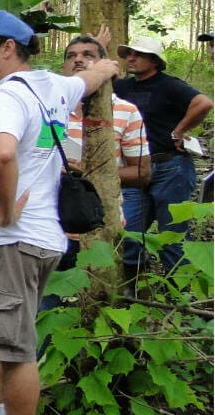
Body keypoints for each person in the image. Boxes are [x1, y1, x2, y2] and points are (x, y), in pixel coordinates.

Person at [0, 10, 118, 415]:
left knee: (14, 352)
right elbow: (91, 78)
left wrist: (6, 212)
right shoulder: (54, 85)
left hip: (12, 241)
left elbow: (3, 154)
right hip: (38, 240)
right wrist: (105, 60)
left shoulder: (6, 95)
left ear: (7, 48)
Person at [39, 35, 150, 311]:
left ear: (105, 65)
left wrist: (92, 172)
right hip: (49, 225)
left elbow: (142, 172)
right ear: (64, 67)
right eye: (71, 55)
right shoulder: (50, 111)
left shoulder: (126, 112)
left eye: (88, 55)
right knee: (46, 307)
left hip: (100, 227)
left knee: (97, 306)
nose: (78, 60)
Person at [114, 36, 213, 278]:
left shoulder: (169, 85)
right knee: (128, 232)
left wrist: (178, 131)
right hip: (135, 169)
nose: (131, 59)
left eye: (138, 54)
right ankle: (134, 285)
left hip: (169, 166)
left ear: (155, 60)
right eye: (129, 54)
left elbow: (203, 103)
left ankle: (179, 290)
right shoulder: (122, 87)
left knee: (173, 235)